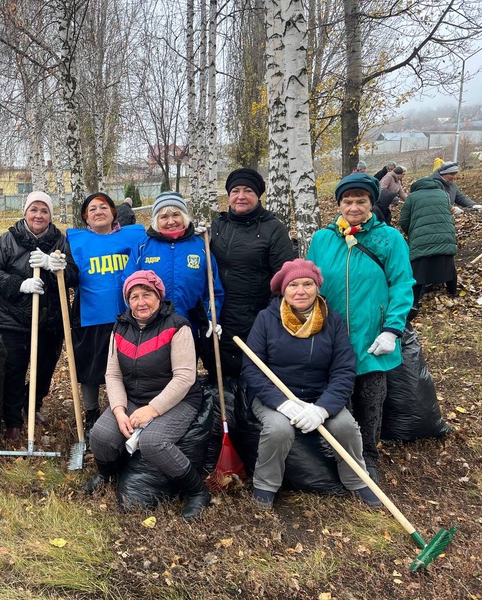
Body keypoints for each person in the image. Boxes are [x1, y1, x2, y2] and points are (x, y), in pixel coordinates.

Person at [242, 259, 381, 509]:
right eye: (293, 285)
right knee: (278, 430)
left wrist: (323, 408)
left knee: (347, 427)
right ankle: (265, 486)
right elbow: (252, 368)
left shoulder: (332, 321)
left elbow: (344, 369)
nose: (301, 290)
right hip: (275, 398)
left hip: (320, 395)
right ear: (283, 290)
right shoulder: (266, 319)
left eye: (308, 284)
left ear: (317, 287)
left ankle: (357, 480)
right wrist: (282, 404)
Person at [307, 173, 414, 482]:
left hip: (372, 335)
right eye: (347, 201)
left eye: (361, 201)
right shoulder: (322, 239)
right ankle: (342, 456)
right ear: (339, 203)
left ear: (371, 203)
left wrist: (392, 329)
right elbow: (310, 284)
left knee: (371, 398)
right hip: (333, 336)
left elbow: (402, 284)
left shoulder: (388, 238)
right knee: (339, 400)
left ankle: (368, 454)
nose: (353, 207)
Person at [84, 270, 210, 521]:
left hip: (177, 399)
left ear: (159, 296)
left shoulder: (177, 326)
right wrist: (119, 410)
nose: (141, 302)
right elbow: (113, 375)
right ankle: (106, 474)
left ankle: (197, 492)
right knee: (100, 435)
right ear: (127, 301)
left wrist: (152, 410)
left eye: (147, 295)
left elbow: (185, 378)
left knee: (153, 442)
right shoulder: (119, 328)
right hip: (132, 397)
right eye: (134, 297)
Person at [0, 191, 79, 441]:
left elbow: (74, 276)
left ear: (50, 215)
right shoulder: (9, 239)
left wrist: (53, 265)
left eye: (44, 210)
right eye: (34, 209)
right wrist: (19, 284)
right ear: (25, 212)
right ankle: (13, 420)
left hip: (50, 319)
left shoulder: (60, 241)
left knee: (44, 368)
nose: (39, 215)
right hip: (13, 320)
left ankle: (33, 406)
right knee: (13, 369)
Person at [67, 192, 145, 433]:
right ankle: (91, 412)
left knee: (129, 365)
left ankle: (126, 408)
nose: (98, 212)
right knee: (90, 365)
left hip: (128, 314)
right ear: (85, 217)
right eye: (92, 209)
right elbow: (68, 274)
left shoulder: (134, 236)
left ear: (113, 212)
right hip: (89, 314)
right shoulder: (73, 240)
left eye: (103, 207)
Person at [124, 191, 225, 377]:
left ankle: (187, 405)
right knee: (155, 376)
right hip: (152, 326)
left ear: (184, 216)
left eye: (176, 214)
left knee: (185, 374)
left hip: (190, 324)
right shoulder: (143, 247)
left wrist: (211, 316)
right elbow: (128, 287)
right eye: (164, 216)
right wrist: (137, 317)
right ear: (156, 220)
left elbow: (214, 290)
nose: (171, 221)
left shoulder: (201, 246)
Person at [209, 168, 296, 377]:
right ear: (228, 195)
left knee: (253, 374)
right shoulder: (217, 226)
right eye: (235, 191)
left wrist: (270, 316)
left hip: (255, 317)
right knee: (220, 374)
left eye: (247, 190)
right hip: (219, 315)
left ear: (257, 195)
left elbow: (285, 278)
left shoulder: (273, 229)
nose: (240, 196)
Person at [399, 176, 458, 313]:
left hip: (421, 239)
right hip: (445, 236)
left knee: (419, 270)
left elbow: (403, 221)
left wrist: (412, 233)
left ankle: (414, 303)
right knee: (449, 265)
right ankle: (453, 293)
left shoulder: (412, 197)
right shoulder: (443, 194)